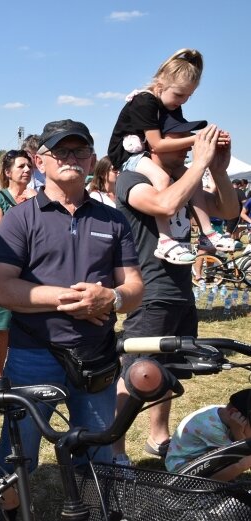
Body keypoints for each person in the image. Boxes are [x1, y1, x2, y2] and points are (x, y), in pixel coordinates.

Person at [0, 119, 143, 473]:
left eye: (80, 150)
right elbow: (0, 288)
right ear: (41, 161)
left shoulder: (113, 220)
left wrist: (113, 299)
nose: (71, 158)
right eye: (61, 151)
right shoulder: (20, 219)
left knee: (97, 454)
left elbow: (134, 286)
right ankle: (5, 512)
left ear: (92, 161)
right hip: (33, 353)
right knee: (18, 454)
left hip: (95, 353)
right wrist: (73, 300)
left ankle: (93, 506)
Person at [112, 116, 240, 465]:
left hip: (180, 288)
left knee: (165, 370)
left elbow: (228, 210)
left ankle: (158, 436)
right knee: (136, 372)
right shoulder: (132, 177)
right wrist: (199, 164)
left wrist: (218, 170)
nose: (189, 139)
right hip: (149, 289)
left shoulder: (188, 177)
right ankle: (114, 450)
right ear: (155, 142)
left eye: (190, 133)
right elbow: (165, 205)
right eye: (180, 134)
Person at [108, 48, 236, 264]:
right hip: (126, 153)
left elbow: (230, 210)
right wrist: (199, 140)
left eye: (189, 96)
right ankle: (165, 240)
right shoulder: (145, 101)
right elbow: (158, 143)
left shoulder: (170, 104)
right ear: (160, 85)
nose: (183, 101)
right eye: (179, 94)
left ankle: (207, 233)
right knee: (162, 179)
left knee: (191, 179)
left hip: (145, 149)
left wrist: (216, 167)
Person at [0, 150, 36, 377]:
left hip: (32, 271)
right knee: (0, 325)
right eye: (21, 166)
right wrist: (24, 209)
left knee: (29, 323)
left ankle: (23, 370)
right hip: (2, 270)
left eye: (29, 166)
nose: (26, 170)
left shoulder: (39, 196)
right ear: (8, 172)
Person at [166, 389, 251, 481]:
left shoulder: (225, 413)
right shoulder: (212, 429)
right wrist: (237, 432)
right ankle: (206, 486)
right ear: (234, 413)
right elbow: (240, 452)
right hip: (182, 471)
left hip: (200, 461)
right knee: (244, 461)